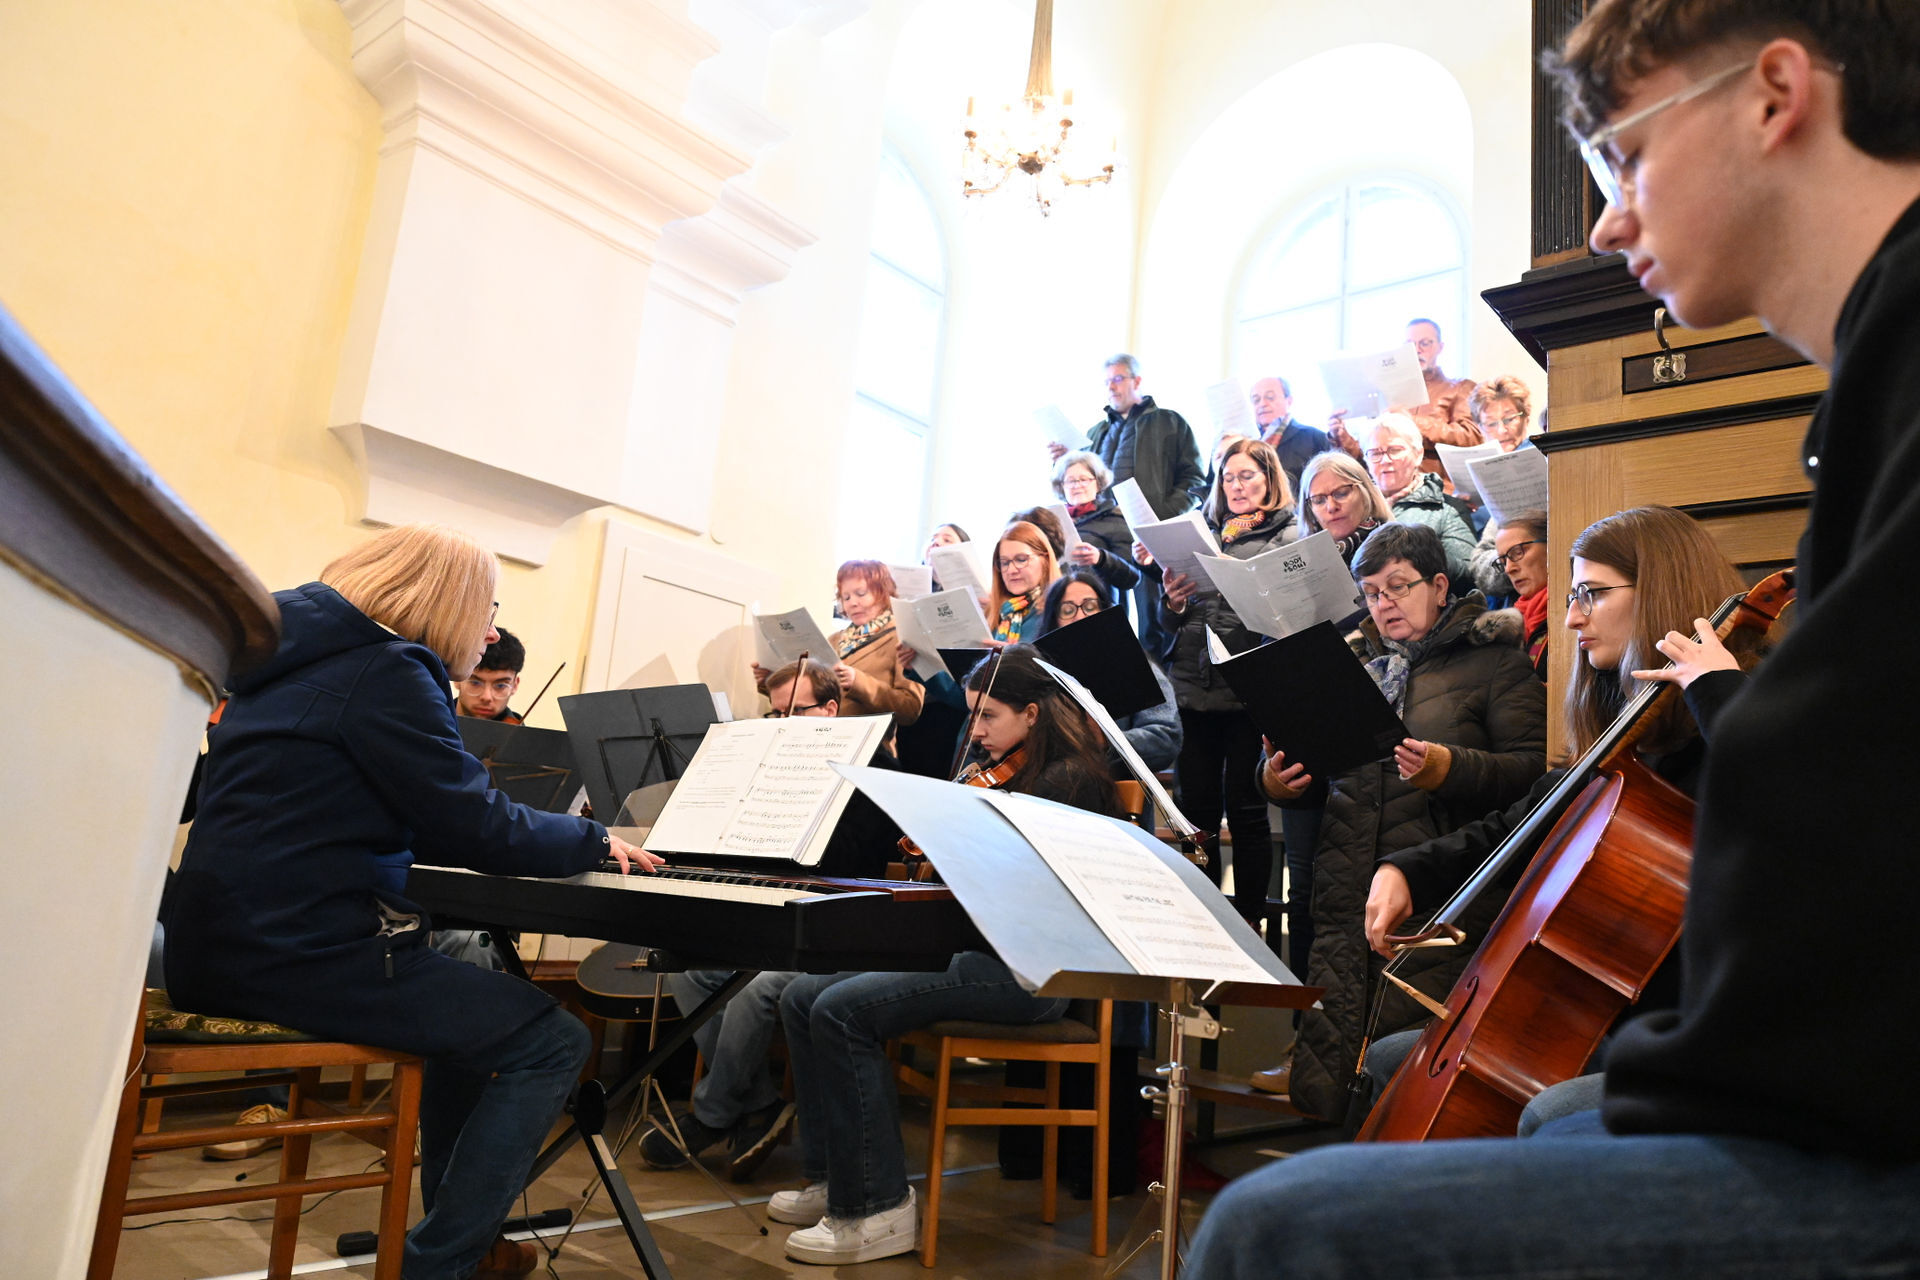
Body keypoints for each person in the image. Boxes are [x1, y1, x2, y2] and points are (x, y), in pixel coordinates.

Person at [1189, 6, 1920, 1274]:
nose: (1606, 224)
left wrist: (1681, 1078)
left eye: (1623, 159)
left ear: (1775, 93)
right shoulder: (1875, 371)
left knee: (1273, 1229)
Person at [162, 523, 661, 1280]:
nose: (488, 633)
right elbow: (473, 824)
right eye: (487, 611)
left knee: (469, 1022)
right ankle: (435, 1263)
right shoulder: (389, 667)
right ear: (446, 602)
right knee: (552, 1041)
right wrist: (592, 840)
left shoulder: (288, 659)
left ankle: (467, 1244)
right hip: (294, 952)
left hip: (218, 943)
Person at [1356, 506, 1758, 1124]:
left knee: (1550, 1114)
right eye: (1572, 596)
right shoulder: (1628, 735)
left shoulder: (1747, 720)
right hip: (1607, 1016)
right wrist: (1407, 869)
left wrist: (1719, 697)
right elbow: (1523, 822)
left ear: (1660, 592)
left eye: (1591, 594)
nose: (1571, 618)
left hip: (1704, 1029)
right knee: (1391, 1059)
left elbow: (1793, 818)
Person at [770, 646, 1120, 1265]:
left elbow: (1021, 891)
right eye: (973, 716)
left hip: (1027, 972)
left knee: (842, 1011)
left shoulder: (1069, 782)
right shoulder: (1004, 775)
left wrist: (955, 836)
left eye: (988, 716)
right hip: (972, 953)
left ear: (1032, 714)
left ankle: (876, 1206)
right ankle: (835, 1177)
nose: (975, 731)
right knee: (802, 996)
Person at [1251, 522, 1545, 1120]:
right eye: (1372, 593)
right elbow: (1323, 776)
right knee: (1339, 1082)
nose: (1384, 603)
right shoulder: (1350, 668)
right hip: (1348, 894)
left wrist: (1449, 767)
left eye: (1398, 586)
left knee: (1410, 1084)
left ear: (1439, 586)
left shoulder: (1495, 664)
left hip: (1440, 898)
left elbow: (1536, 774)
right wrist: (1276, 781)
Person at [642, 659, 894, 1182]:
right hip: (774, 917)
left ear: (830, 709)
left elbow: (858, 859)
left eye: (796, 711)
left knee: (755, 988)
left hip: (838, 924)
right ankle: (758, 1103)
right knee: (689, 970)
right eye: (775, 713)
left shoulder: (874, 765)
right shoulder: (770, 763)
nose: (783, 724)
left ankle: (712, 1114)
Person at [1249, 449, 1394, 1004]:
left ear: (1365, 490)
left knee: (1360, 891)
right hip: (1307, 741)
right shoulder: (1293, 566)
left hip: (1368, 742)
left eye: (1341, 493)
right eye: (1318, 499)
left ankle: (1359, 1028)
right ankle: (1305, 1027)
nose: (1329, 506)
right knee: (1305, 889)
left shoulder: (1389, 551)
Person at [1156, 437, 1299, 927]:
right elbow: (1170, 624)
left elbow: (1290, 615)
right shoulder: (1203, 532)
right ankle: (1204, 920)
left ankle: (1250, 922)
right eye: (1229, 477)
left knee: (1246, 813)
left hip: (1248, 693)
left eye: (1247, 476)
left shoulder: (1288, 533)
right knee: (1195, 816)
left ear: (1269, 479)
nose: (1236, 486)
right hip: (1193, 689)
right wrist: (1173, 602)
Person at [1050, 353, 1206, 657]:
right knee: (1106, 622)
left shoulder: (1169, 422)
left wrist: (1156, 521)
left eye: (1118, 379)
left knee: (1153, 625)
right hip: (1105, 539)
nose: (1111, 387)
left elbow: (1194, 480)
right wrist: (1062, 460)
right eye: (1107, 381)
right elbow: (1079, 484)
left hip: (1150, 541)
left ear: (1137, 380)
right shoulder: (1095, 433)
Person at [1034, 570, 1181, 773]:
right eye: (1067, 610)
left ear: (1104, 611)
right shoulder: (1039, 672)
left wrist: (1106, 741)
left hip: (1114, 785)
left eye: (1090, 607)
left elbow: (1166, 737)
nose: (1080, 617)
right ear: (1054, 619)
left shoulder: (1137, 664)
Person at [757, 562, 924, 725]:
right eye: (846, 597)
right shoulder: (833, 640)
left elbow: (910, 708)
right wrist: (769, 679)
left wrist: (858, 682)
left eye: (861, 593)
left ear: (883, 593)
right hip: (822, 736)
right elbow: (808, 698)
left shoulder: (902, 638)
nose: (852, 603)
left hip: (869, 738)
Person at [1356, 412, 1477, 582]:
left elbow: (1468, 572)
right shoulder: (1355, 508)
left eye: (1394, 450)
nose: (1385, 460)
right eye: (1375, 453)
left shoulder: (1446, 508)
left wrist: (1419, 555)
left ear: (1418, 455)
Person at [1466, 375, 1541, 597]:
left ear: (1526, 418)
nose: (1502, 430)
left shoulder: (1540, 462)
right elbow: (1480, 563)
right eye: (1491, 423)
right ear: (1479, 427)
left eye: (1509, 419)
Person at [1052, 449, 1143, 607]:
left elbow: (1131, 578)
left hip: (1101, 608)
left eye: (1084, 479)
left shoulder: (1115, 518)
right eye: (1070, 481)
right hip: (1059, 607)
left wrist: (1101, 559)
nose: (1077, 486)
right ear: (1061, 487)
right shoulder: (1053, 522)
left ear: (1098, 483)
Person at [1491, 510, 1551, 679]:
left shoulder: (1574, 610)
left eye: (1517, 552)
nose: (1509, 569)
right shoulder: (1511, 625)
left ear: (1551, 545)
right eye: (1503, 561)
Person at [1250, 375, 1332, 496]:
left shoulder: (1314, 438)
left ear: (1289, 401)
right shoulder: (1245, 442)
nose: (1262, 404)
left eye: (1270, 397)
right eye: (1256, 400)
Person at [987, 520, 1060, 645]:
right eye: (1004, 563)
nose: (1011, 570)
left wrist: (1013, 654)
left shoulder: (1059, 609)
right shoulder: (994, 613)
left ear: (1046, 560)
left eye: (1021, 560)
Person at [455, 625, 525, 723]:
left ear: (515, 685)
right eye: (475, 683)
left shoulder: (521, 732)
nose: (486, 697)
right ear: (457, 679)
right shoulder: (433, 720)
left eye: (500, 686)